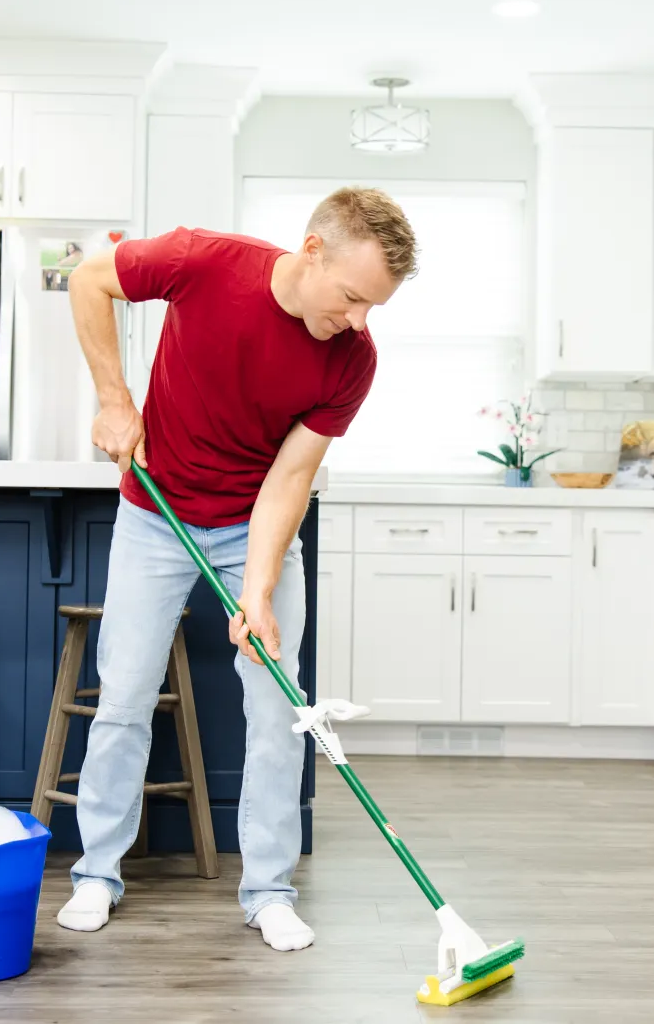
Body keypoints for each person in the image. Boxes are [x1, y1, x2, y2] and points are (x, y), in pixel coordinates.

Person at [60, 187, 418, 952]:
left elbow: (290, 481)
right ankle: (96, 872)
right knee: (124, 691)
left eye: (373, 308)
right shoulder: (204, 262)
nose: (358, 322)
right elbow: (89, 279)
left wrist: (256, 593)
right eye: (354, 297)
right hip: (153, 516)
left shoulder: (353, 359)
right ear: (313, 250)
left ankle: (269, 890)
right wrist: (115, 398)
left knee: (279, 707)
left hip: (252, 524)